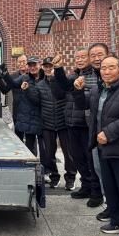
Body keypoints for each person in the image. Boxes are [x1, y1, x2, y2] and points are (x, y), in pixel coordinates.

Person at [74, 56, 119, 236]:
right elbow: (83, 105)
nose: (106, 71)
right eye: (104, 68)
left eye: (111, 67)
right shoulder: (99, 89)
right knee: (110, 188)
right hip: (103, 147)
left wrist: (109, 133)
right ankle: (116, 220)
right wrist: (78, 91)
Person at [53, 49, 104, 205]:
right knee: (78, 157)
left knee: (91, 160)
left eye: (83, 57)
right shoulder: (75, 75)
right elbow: (64, 85)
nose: (80, 60)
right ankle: (85, 186)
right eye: (77, 58)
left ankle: (96, 192)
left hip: (87, 125)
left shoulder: (96, 75)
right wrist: (58, 69)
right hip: (72, 122)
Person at [27, 57, 75, 187]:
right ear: (43, 68)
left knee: (68, 153)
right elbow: (36, 102)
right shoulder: (40, 85)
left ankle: (70, 178)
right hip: (47, 123)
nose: (48, 69)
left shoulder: (63, 82)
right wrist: (28, 90)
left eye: (51, 66)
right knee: (49, 154)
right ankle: (54, 176)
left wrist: (55, 78)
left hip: (63, 122)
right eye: (46, 66)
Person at [1, 56, 43, 155]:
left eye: (24, 61)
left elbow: (37, 99)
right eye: (30, 65)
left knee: (38, 145)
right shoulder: (24, 77)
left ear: (39, 65)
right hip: (22, 113)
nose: (32, 67)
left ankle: (38, 161)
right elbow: (12, 84)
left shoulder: (44, 78)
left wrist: (27, 90)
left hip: (39, 116)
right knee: (22, 141)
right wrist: (5, 73)